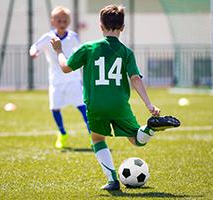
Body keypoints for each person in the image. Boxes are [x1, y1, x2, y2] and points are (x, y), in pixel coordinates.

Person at [50, 5, 180, 190]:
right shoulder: (127, 52)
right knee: (136, 139)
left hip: (96, 104)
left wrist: (59, 51)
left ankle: (112, 180)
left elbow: (65, 68)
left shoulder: (88, 48)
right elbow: (135, 79)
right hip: (119, 104)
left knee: (97, 139)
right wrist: (149, 104)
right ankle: (150, 128)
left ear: (101, 26)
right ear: (122, 27)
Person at [29, 6, 90, 149]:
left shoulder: (73, 36)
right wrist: (33, 52)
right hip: (56, 80)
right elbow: (34, 46)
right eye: (59, 19)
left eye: (65, 19)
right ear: (53, 21)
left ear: (68, 21)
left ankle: (92, 136)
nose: (62, 22)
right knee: (55, 109)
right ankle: (62, 133)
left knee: (83, 108)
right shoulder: (47, 37)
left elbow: (80, 51)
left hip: (74, 79)